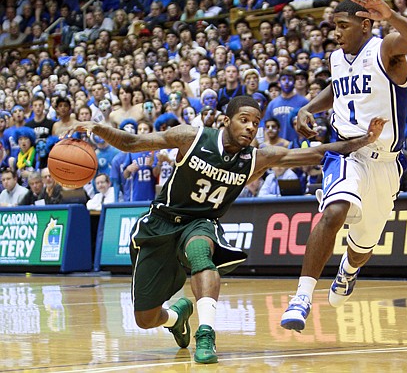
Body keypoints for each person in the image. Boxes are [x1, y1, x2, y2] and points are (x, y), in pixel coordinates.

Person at [62, 96, 386, 364]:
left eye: (255, 123)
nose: (250, 127)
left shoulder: (257, 158)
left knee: (201, 251)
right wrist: (98, 128)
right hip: (162, 221)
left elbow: (316, 153)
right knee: (145, 318)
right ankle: (178, 317)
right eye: (244, 119)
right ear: (226, 120)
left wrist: (364, 140)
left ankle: (206, 335)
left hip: (201, 223)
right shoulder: (191, 137)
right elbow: (132, 142)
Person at [280, 0, 407, 332]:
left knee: (362, 248)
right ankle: (301, 297)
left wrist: (389, 14)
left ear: (364, 24)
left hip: (386, 163)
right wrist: (307, 108)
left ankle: (349, 268)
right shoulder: (336, 57)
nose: (337, 33)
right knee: (333, 210)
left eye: (343, 26)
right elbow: (337, 89)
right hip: (347, 152)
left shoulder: (386, 50)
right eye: (334, 27)